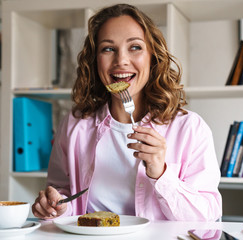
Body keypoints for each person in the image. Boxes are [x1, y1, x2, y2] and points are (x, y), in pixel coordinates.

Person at [32, 3, 222, 222]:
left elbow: (207, 216)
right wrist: (55, 205)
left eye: (135, 47)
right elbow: (62, 193)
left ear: (153, 57)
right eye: (108, 49)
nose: (121, 60)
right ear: (95, 61)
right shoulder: (74, 125)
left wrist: (162, 174)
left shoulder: (190, 129)